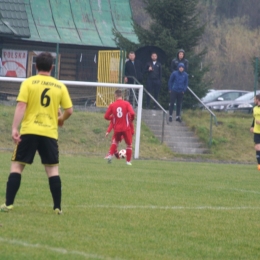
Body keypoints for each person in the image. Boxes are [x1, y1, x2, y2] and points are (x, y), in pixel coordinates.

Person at [0, 52, 73, 214]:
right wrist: (61, 120)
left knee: (17, 166)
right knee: (52, 170)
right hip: (49, 133)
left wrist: (14, 128)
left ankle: (8, 204)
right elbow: (69, 110)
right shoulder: (59, 86)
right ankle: (57, 207)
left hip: (29, 131)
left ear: (35, 66)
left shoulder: (29, 83)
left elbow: (21, 106)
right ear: (52, 68)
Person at [104, 89, 135, 165]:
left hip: (117, 128)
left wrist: (112, 118)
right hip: (126, 128)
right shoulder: (127, 104)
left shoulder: (112, 105)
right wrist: (131, 119)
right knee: (129, 144)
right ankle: (128, 162)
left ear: (115, 95)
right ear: (122, 96)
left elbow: (106, 116)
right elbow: (132, 113)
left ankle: (110, 156)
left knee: (115, 142)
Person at [250, 94, 260, 170]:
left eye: (255, 99)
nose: (254, 101)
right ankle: (259, 164)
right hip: (257, 131)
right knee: (257, 147)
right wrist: (252, 126)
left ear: (258, 99)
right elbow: (254, 119)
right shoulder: (255, 108)